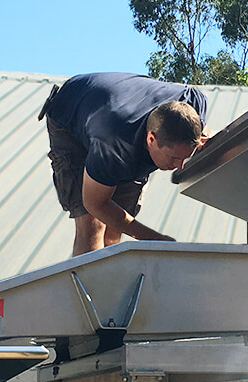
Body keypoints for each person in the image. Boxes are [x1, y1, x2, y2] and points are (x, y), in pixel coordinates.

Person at [39, 72, 208, 256]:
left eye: (185, 157)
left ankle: (111, 276)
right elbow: (95, 204)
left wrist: (204, 137)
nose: (180, 166)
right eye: (174, 158)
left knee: (115, 228)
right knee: (92, 223)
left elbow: (200, 129)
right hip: (71, 110)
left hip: (119, 113)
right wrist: (160, 241)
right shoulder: (113, 146)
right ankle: (90, 281)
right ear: (151, 139)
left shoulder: (193, 103)